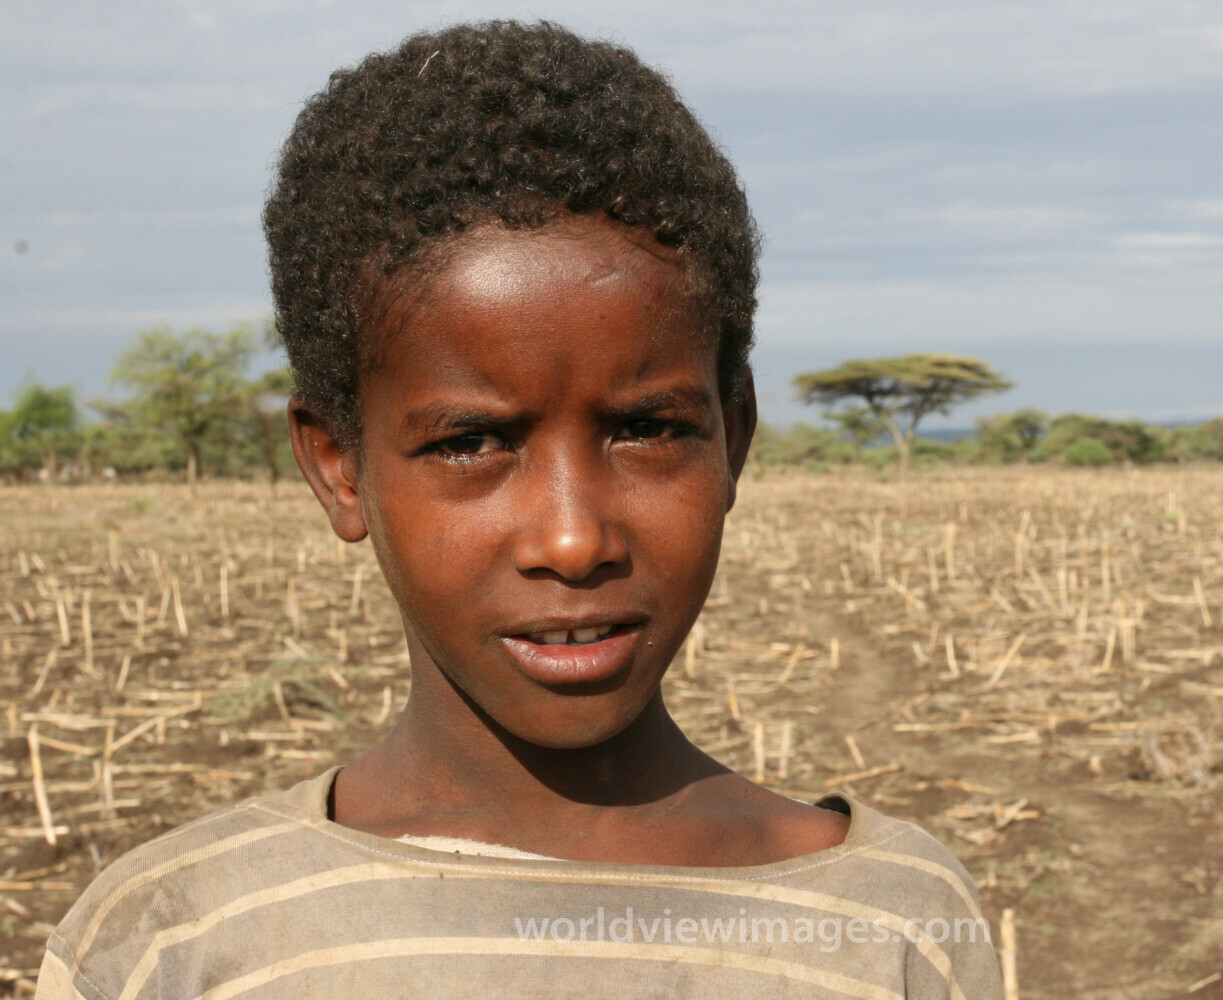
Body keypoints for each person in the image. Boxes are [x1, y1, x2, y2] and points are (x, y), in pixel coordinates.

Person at [39, 21, 1002, 999]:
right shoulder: (173, 939)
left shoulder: (892, 921)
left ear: (735, 436)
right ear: (338, 465)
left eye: (648, 428)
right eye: (470, 443)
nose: (575, 538)